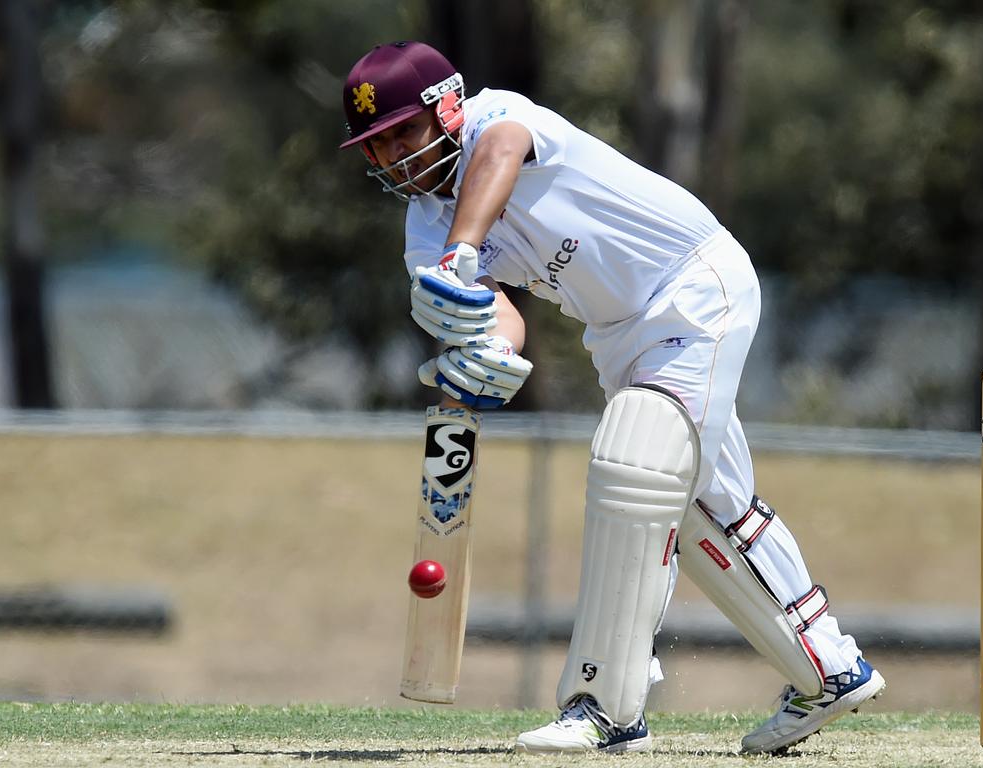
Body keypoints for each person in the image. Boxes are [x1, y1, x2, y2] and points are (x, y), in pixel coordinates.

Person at [339, 40, 885, 755]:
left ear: (447, 109)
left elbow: (500, 157)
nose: (390, 161)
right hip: (619, 333)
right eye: (374, 148)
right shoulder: (424, 230)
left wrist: (462, 252)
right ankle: (830, 668)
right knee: (694, 506)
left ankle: (606, 707)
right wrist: (489, 350)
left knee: (634, 465)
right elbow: (495, 313)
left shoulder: (497, 119)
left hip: (692, 285)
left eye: (401, 135)